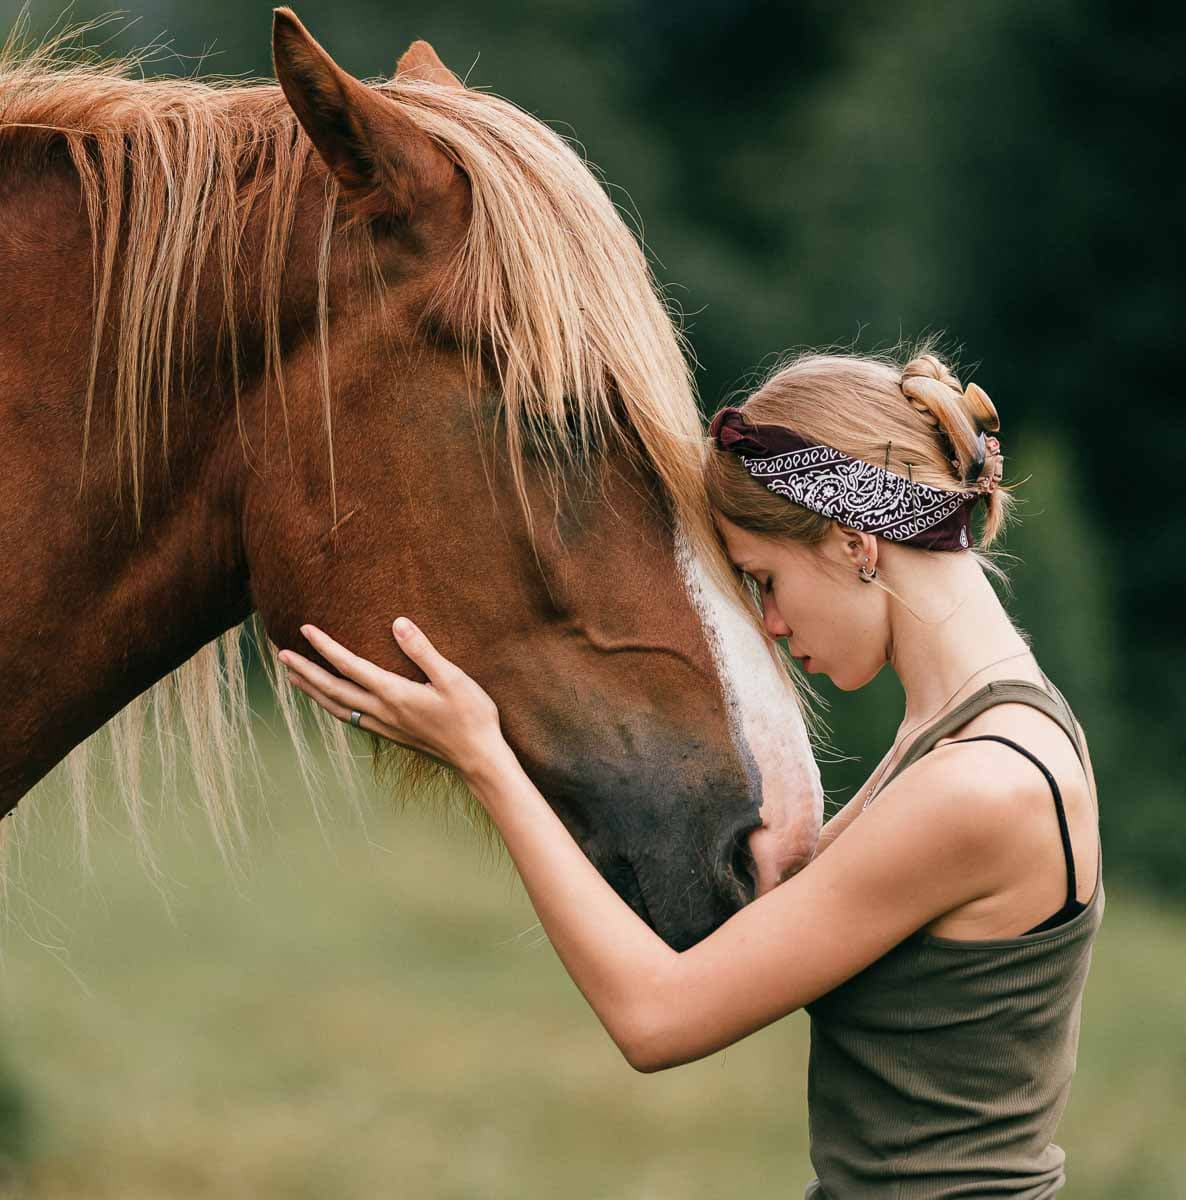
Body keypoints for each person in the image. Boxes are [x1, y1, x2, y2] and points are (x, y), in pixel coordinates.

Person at [279, 347, 1103, 1198]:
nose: (773, 623)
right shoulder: (985, 730)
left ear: (858, 543)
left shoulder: (976, 788)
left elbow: (656, 1016)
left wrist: (486, 758)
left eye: (765, 581)